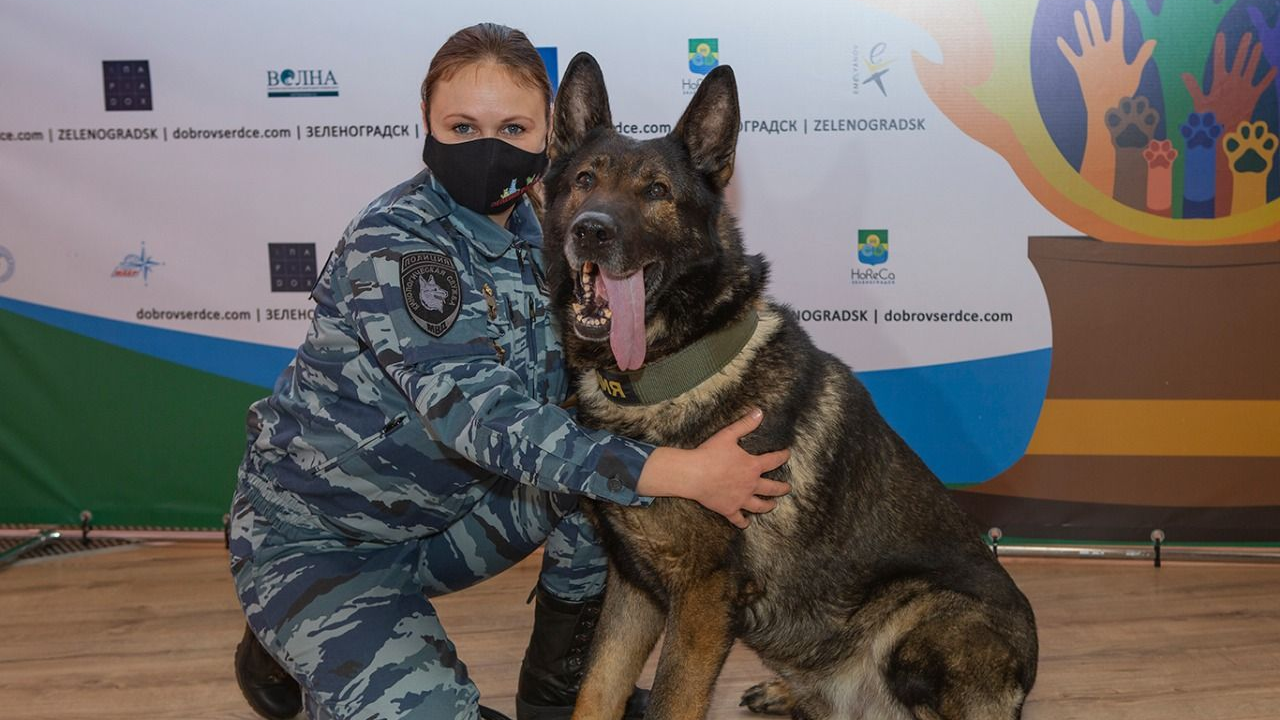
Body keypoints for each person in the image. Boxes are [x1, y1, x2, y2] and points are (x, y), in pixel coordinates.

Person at [228, 22, 791, 720]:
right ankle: (290, 633)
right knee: (620, 471)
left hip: (450, 519)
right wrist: (688, 473)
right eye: (462, 126)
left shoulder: (557, 223)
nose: (488, 148)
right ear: (427, 126)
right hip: (329, 542)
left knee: (601, 486)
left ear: (545, 138)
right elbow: (480, 420)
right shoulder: (398, 244)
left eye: (513, 126)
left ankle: (556, 695)